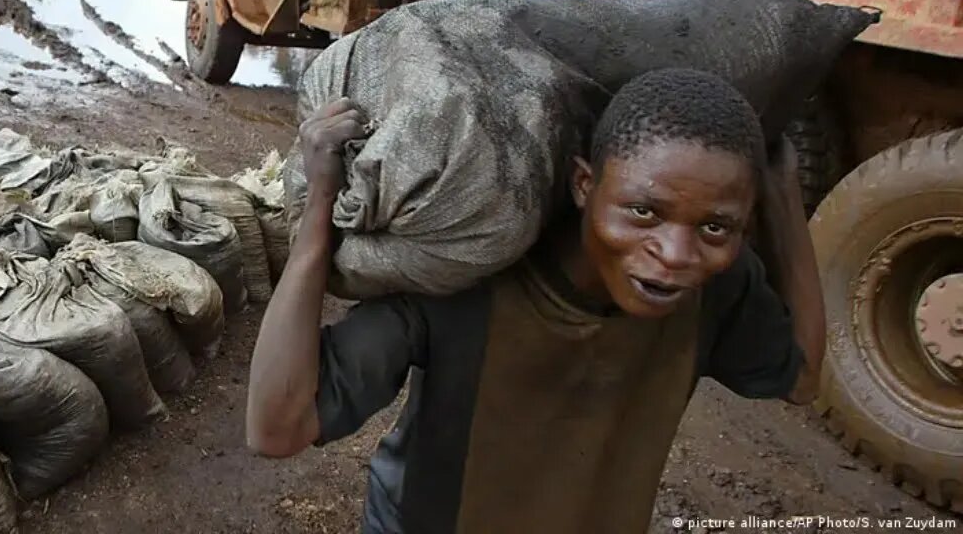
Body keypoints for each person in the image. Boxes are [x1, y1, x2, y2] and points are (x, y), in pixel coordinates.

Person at [246, 68, 825, 534]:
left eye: (716, 227)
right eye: (643, 212)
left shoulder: (717, 287)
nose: (676, 254)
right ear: (584, 184)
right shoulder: (471, 276)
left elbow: (799, 380)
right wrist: (320, 203)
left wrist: (784, 201)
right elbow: (277, 427)